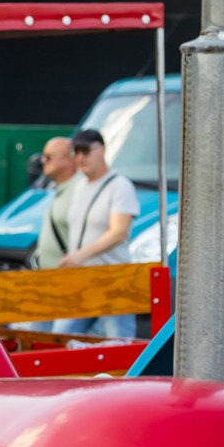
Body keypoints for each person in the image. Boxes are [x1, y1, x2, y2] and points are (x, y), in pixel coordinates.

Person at [52, 128, 141, 339]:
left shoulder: (120, 186)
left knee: (119, 342)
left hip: (113, 280)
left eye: (85, 151)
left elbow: (119, 232)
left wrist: (81, 255)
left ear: (102, 150)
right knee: (62, 337)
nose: (80, 157)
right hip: (83, 280)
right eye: (76, 152)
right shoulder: (80, 186)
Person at [32, 136, 80, 270]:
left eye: (48, 157)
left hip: (68, 276)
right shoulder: (59, 188)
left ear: (69, 158)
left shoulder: (81, 191)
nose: (42, 161)